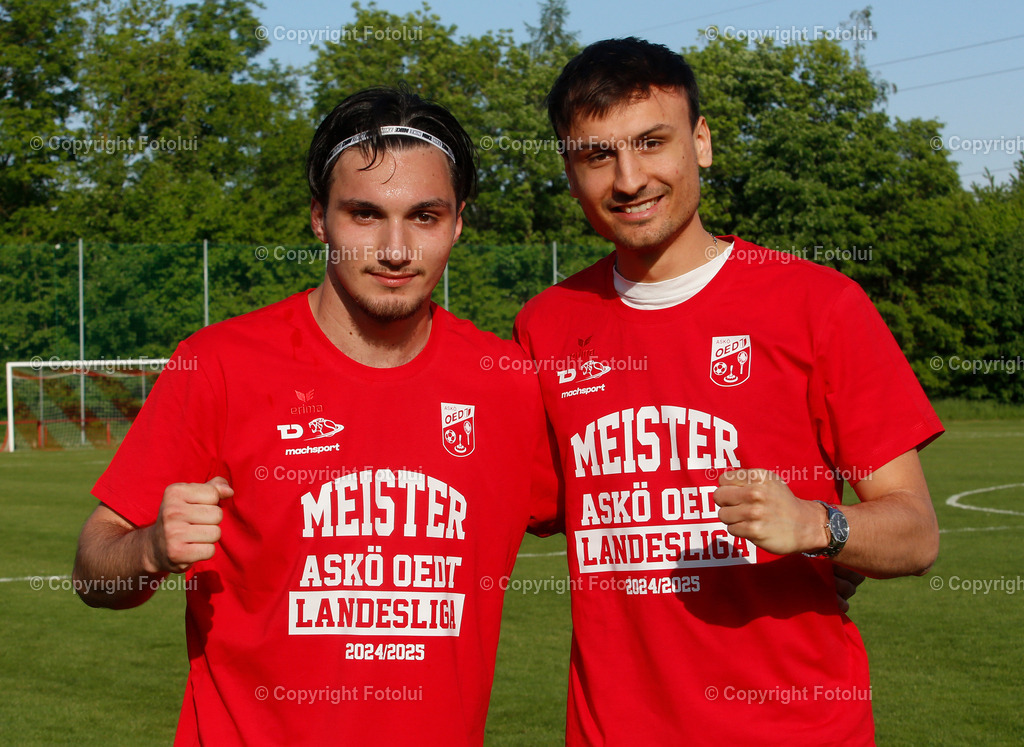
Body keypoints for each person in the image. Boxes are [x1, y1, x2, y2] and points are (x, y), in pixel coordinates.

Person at [72, 86, 559, 746]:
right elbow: (93, 570)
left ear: (458, 222)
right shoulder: (219, 365)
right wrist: (152, 546)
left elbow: (627, 520)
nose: (395, 248)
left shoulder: (507, 384)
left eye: (424, 216)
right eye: (364, 214)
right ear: (319, 218)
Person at [514, 38, 942, 745]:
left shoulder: (818, 304)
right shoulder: (545, 325)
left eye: (653, 142)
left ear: (701, 142)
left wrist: (816, 526)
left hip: (799, 729)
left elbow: (916, 530)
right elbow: (489, 504)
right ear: (570, 172)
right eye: (597, 155)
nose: (629, 178)